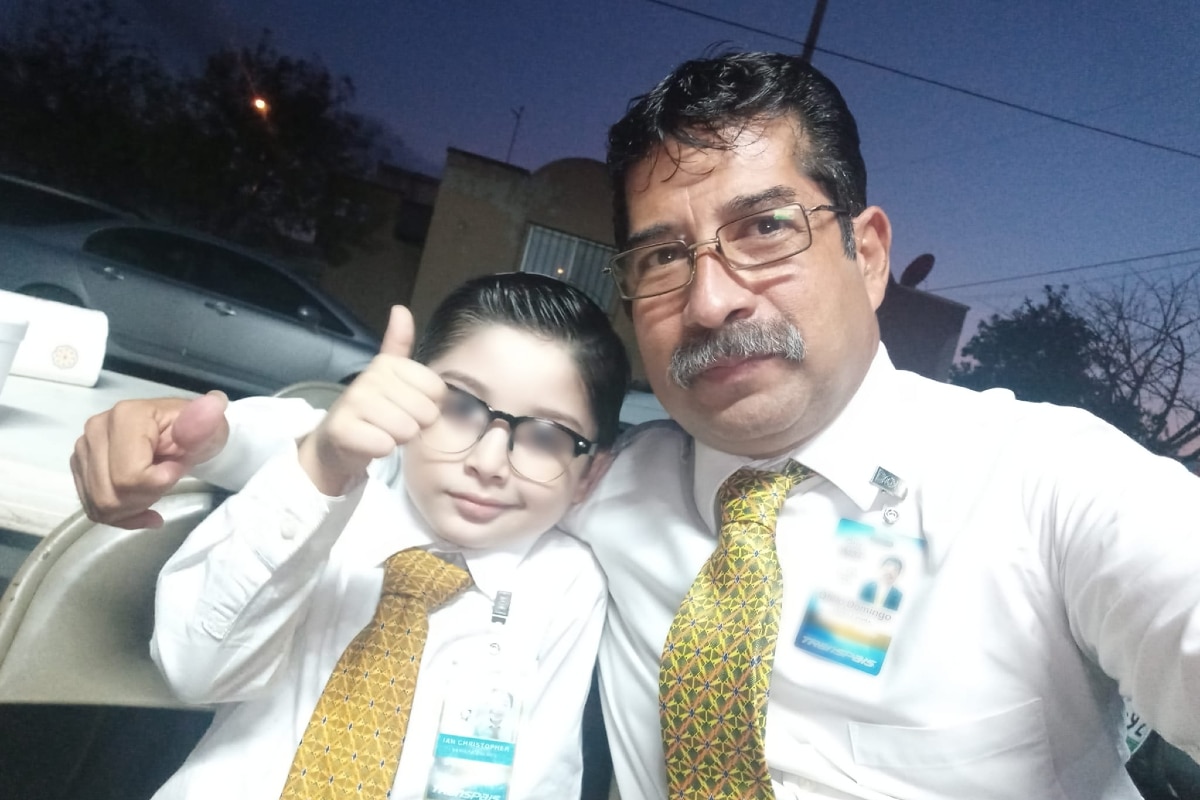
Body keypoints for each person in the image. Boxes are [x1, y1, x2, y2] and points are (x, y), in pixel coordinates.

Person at [73, 52, 1200, 800]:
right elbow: (387, 457)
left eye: (763, 229)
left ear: (865, 252)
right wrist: (201, 435)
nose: (712, 299)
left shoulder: (1046, 482)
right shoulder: (600, 482)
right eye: (665, 256)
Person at [142, 272, 628, 800]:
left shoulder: (566, 584)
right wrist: (322, 468)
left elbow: (541, 781)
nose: (488, 462)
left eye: (545, 435)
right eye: (461, 407)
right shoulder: (321, 502)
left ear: (590, 475)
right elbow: (195, 674)